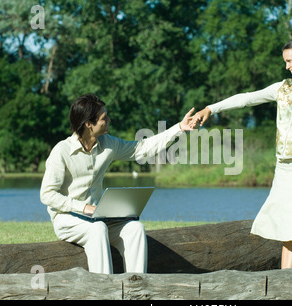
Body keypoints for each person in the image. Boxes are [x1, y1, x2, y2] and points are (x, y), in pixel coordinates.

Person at [192, 37, 292, 269]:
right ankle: (283, 284)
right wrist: (211, 108)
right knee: (287, 231)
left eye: (290, 61)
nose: (287, 66)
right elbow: (246, 99)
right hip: (283, 168)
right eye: (285, 62)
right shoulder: (284, 87)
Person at [40, 93, 196, 274]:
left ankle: (136, 288)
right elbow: (47, 195)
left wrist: (179, 128)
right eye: (104, 118)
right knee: (97, 229)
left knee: (135, 228)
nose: (109, 120)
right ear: (88, 123)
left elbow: (142, 149)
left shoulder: (109, 144)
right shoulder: (61, 151)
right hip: (67, 219)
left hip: (97, 217)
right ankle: (105, 291)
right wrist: (83, 208)